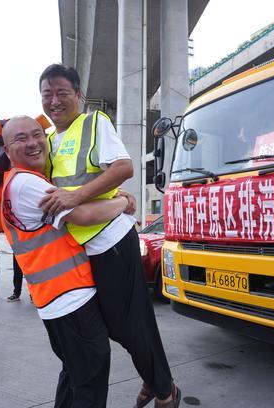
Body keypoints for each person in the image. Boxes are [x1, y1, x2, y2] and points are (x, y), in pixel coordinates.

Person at [39, 64, 180, 407]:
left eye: (61, 92)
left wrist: (78, 196)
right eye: (47, 94)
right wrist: (119, 198)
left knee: (126, 325)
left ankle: (164, 391)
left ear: (78, 95)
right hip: (76, 250)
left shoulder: (93, 123)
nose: (54, 101)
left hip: (111, 241)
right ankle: (156, 380)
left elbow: (123, 167)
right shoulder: (46, 142)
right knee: (106, 328)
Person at [1, 115, 131, 407]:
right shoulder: (27, 184)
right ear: (7, 150)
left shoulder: (17, 182)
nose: (34, 143)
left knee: (74, 376)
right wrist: (124, 203)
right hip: (70, 299)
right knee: (90, 382)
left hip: (56, 300)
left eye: (37, 134)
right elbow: (85, 215)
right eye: (21, 139)